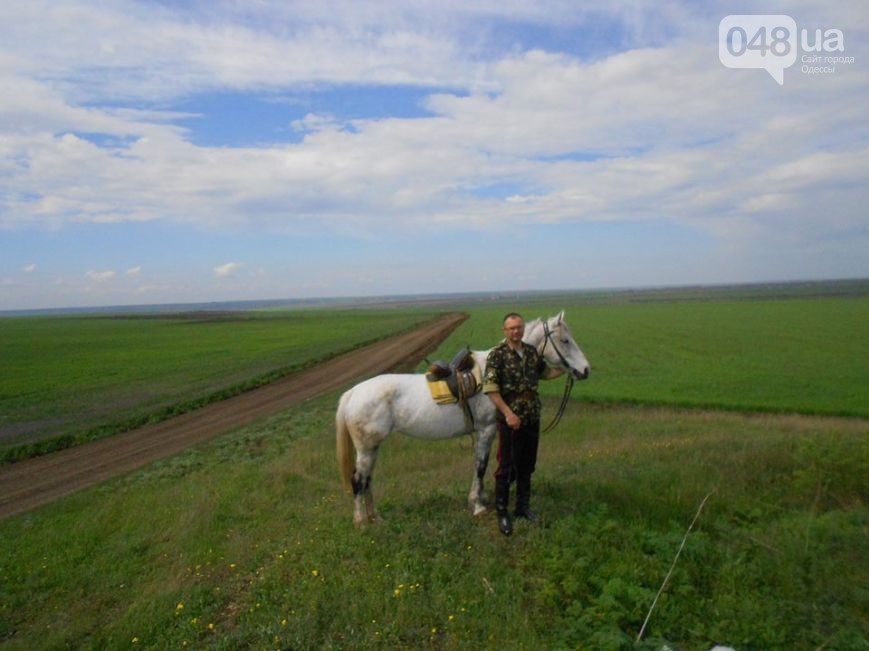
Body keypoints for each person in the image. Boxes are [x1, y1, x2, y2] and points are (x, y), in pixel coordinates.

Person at [483, 312, 564, 535]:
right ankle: (502, 512)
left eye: (518, 327)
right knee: (507, 466)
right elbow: (491, 389)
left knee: (528, 465)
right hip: (510, 419)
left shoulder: (530, 352)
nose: (515, 331)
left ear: (522, 329)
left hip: (531, 416)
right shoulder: (497, 355)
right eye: (511, 328)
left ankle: (522, 507)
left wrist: (565, 370)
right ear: (505, 331)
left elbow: (544, 373)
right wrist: (508, 414)